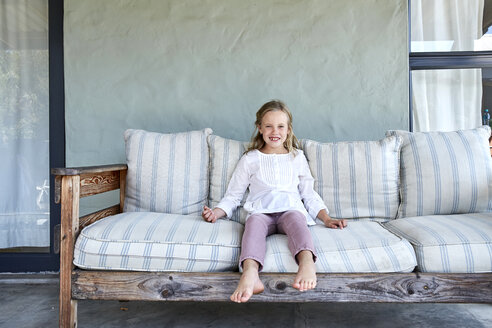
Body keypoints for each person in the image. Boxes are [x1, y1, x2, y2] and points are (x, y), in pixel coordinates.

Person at [202, 100, 347, 303]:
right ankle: (251, 274)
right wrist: (217, 212)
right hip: (261, 212)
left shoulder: (297, 157)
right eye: (268, 125)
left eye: (280, 126)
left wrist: (326, 218)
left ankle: (306, 264)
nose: (274, 131)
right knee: (252, 225)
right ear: (259, 128)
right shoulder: (250, 159)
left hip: (290, 209)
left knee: (298, 221)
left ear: (288, 130)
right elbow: (234, 195)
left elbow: (309, 194)